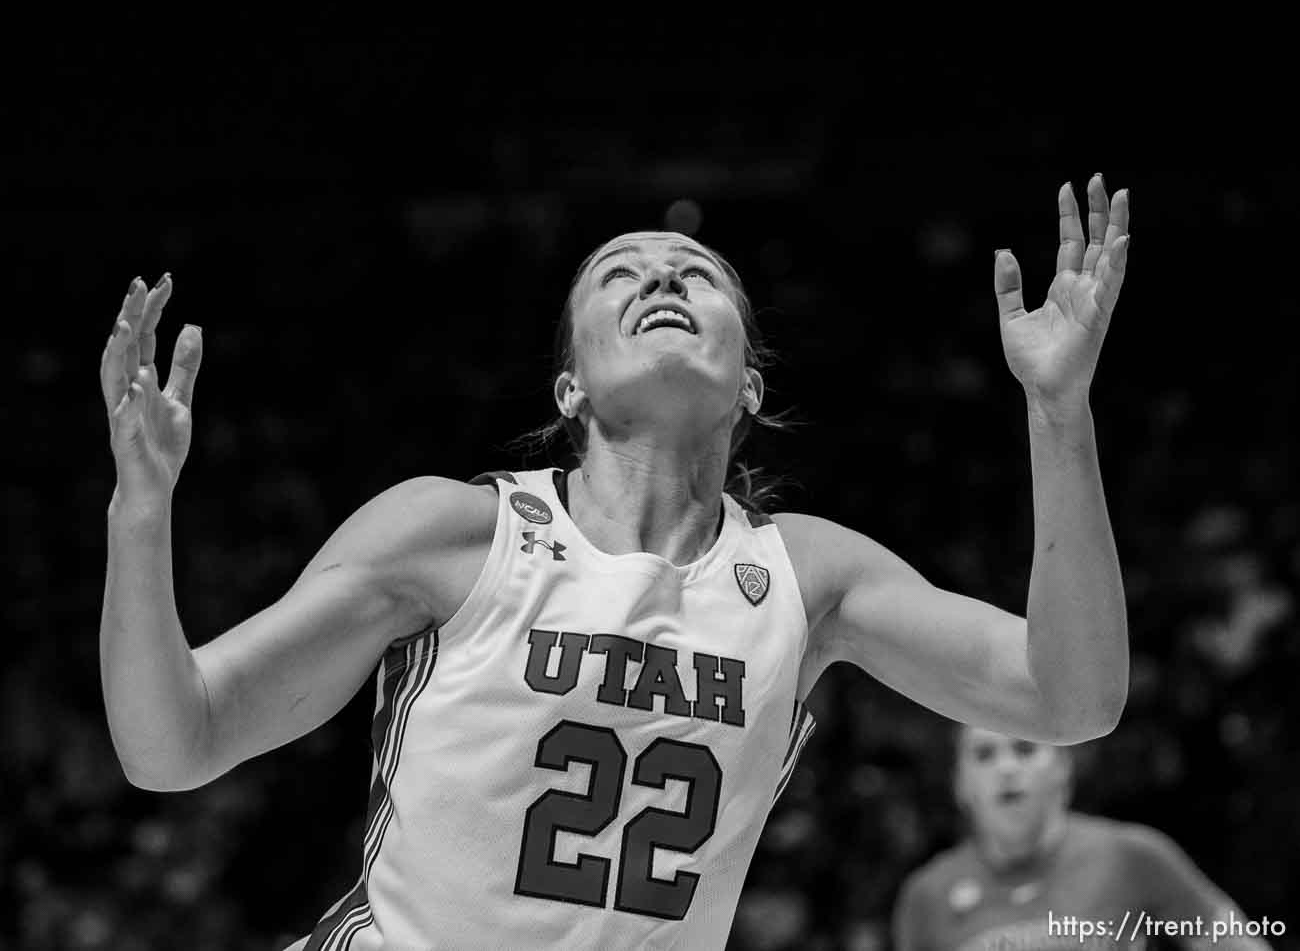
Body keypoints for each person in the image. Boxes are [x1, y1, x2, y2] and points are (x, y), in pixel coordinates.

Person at [100, 175, 1131, 951]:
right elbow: (173, 742)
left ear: (750, 388)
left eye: (697, 275)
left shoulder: (810, 578)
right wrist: (139, 515)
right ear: (568, 387)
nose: (664, 276)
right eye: (620, 272)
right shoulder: (452, 536)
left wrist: (1058, 412)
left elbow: (1070, 695)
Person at [892, 726, 1275, 951]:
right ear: (960, 783)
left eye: (1026, 749)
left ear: (1062, 767)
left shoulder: (1131, 855)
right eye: (984, 754)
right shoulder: (926, 894)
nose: (1006, 768)